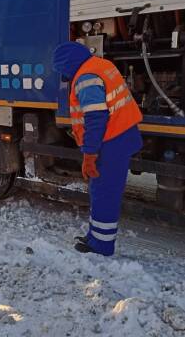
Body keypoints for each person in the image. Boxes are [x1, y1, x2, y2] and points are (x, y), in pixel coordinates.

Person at [53, 41, 143, 256]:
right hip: (121, 135)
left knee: (104, 193)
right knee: (100, 190)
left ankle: (101, 245)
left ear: (68, 65)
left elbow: (96, 118)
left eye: (62, 71)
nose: (63, 76)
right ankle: (95, 235)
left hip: (110, 141)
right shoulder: (101, 65)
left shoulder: (85, 78)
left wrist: (90, 154)